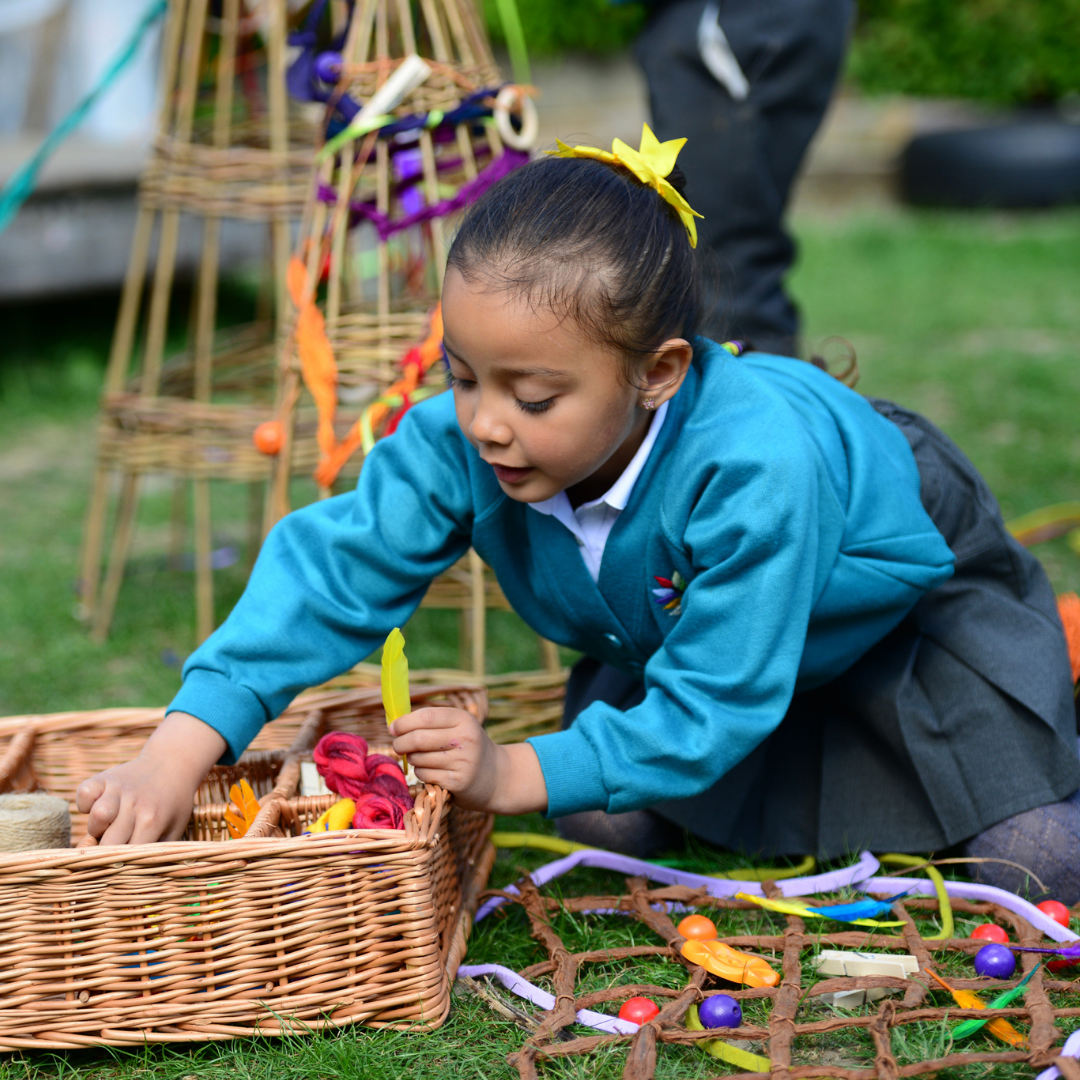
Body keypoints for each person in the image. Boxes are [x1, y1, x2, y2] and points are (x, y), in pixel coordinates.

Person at [76, 128, 1080, 902]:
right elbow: (332, 574)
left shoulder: (754, 468)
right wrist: (179, 748)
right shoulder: (461, 440)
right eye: (461, 376)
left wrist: (514, 769)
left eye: (533, 397)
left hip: (884, 618)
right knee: (608, 829)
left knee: (1037, 864)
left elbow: (717, 701)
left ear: (658, 375)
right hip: (704, 639)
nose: (486, 425)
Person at [634, 0, 854, 356]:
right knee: (722, 267)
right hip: (732, 19)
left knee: (725, 273)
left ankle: (753, 406)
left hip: (733, 17)